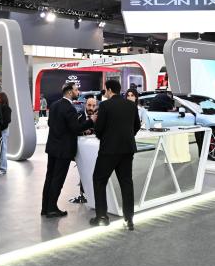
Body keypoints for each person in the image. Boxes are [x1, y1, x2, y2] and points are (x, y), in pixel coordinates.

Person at [90, 80, 142, 229]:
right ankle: (129, 219)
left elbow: (99, 129)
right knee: (126, 182)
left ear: (109, 89)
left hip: (109, 150)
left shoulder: (105, 105)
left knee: (99, 180)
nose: (105, 92)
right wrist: (127, 137)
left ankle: (102, 217)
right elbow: (137, 126)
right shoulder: (131, 105)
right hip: (127, 149)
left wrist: (105, 136)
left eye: (105, 90)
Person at [42, 83, 93, 217]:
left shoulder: (54, 105)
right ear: (70, 92)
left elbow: (51, 123)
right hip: (63, 150)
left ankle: (45, 208)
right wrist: (91, 121)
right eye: (76, 89)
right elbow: (75, 128)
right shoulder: (70, 108)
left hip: (52, 147)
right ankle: (52, 209)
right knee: (58, 179)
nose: (78, 91)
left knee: (50, 177)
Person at [0, 92, 12, 175]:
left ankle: (3, 168)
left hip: (3, 131)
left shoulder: (6, 108)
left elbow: (7, 121)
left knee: (2, 150)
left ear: (2, 98)